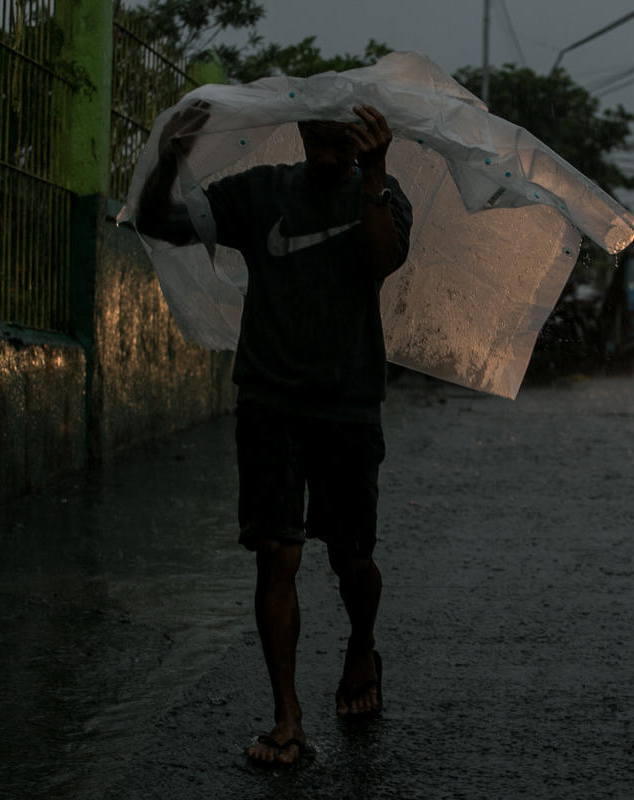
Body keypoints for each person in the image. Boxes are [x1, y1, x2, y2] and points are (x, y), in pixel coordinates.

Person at [137, 101, 413, 766]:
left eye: (346, 133)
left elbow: (383, 259)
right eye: (319, 127)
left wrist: (376, 174)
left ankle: (361, 647)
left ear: (360, 140)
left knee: (351, 557)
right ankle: (286, 719)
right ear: (300, 129)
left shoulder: (381, 195)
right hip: (269, 402)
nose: (331, 141)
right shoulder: (260, 192)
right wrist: (170, 155)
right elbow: (158, 220)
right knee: (278, 554)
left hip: (348, 405)